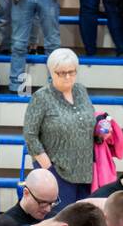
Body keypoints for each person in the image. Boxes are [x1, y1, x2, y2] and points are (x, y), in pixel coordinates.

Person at [22, 49, 97, 209]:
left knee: (84, 220)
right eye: (62, 73)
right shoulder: (41, 97)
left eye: (71, 72)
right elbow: (30, 135)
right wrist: (48, 168)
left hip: (85, 170)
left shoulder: (81, 90)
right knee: (61, 222)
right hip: (57, 172)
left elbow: (88, 119)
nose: (68, 76)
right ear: (51, 72)